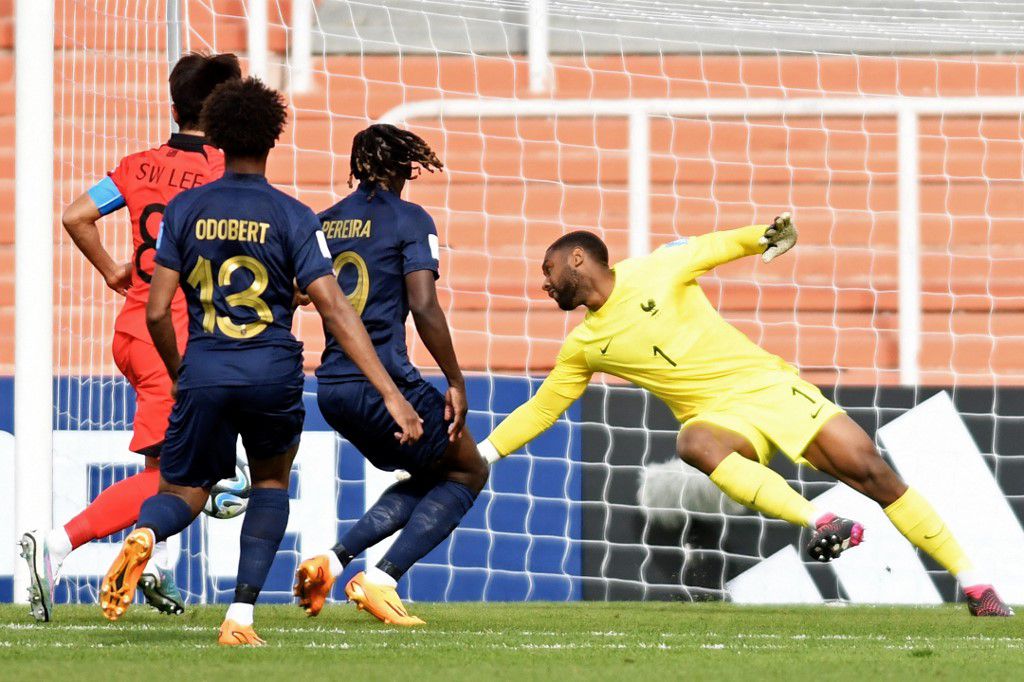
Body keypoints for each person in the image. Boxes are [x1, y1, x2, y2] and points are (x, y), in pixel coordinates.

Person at [477, 216, 1012, 617]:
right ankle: (819, 521)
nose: (544, 285)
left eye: (548, 270)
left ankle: (977, 585)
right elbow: (543, 408)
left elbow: (715, 246)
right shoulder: (584, 347)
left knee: (875, 474)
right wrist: (484, 454)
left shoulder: (658, 268)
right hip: (721, 419)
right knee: (694, 442)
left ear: (577, 260)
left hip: (770, 387)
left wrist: (765, 235)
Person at [98, 79, 423, 645]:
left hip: (204, 369)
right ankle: (240, 618)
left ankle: (147, 535)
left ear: (218, 138)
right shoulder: (293, 215)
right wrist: (391, 392)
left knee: (182, 491)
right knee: (271, 482)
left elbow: (155, 312)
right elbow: (336, 308)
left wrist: (182, 374)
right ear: (274, 136)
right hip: (271, 371)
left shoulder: (185, 210)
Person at [19, 52, 242, 622]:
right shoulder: (224, 172)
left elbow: (75, 216)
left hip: (132, 328)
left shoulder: (137, 165)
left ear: (174, 107)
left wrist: (113, 269)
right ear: (226, 109)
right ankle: (58, 544)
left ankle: (155, 568)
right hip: (174, 337)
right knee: (181, 478)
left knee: (167, 469)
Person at [293, 124, 489, 627]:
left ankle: (332, 561)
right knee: (468, 470)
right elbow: (423, 305)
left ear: (358, 167)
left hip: (332, 389)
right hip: (386, 385)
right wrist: (455, 380)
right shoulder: (410, 219)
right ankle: (381, 579)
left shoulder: (323, 222)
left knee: (428, 474)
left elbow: (293, 292)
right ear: (405, 167)